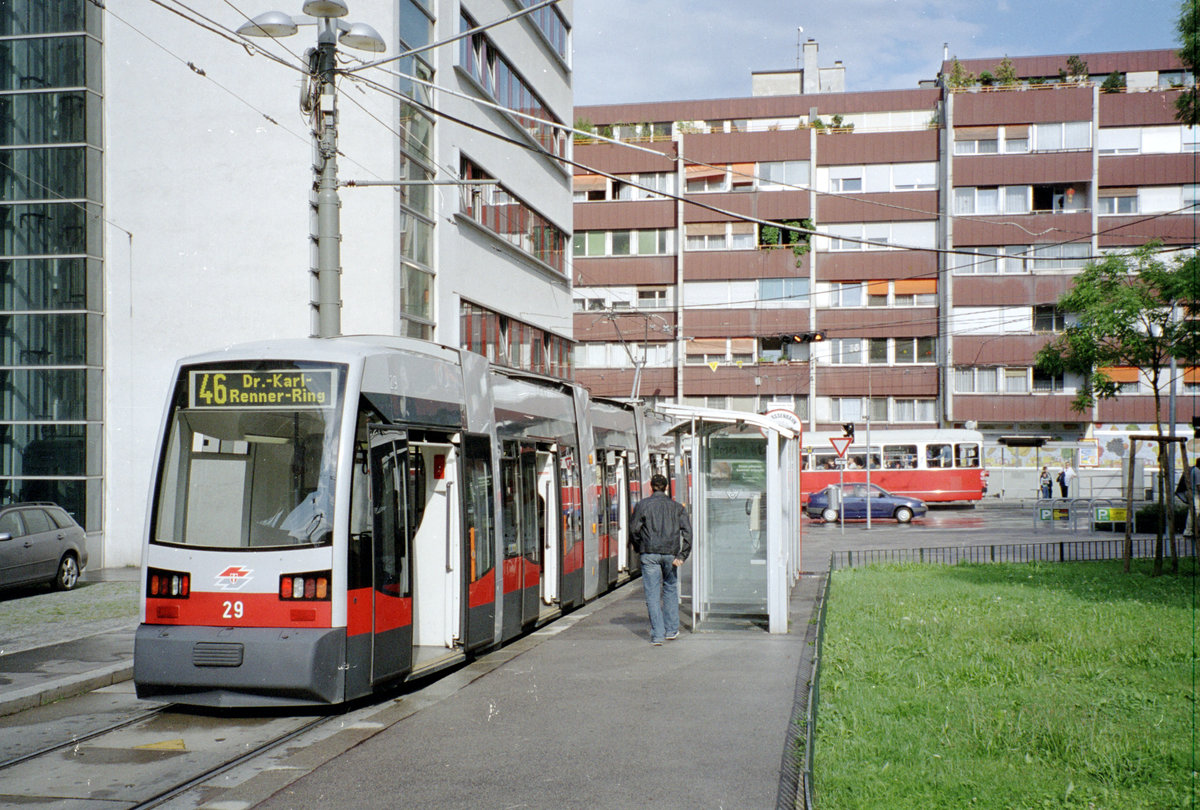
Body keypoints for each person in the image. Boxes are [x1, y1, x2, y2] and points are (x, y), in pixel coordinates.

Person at [629, 473, 692, 646]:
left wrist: (640, 547)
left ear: (651, 487)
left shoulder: (642, 505)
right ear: (667, 487)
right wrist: (682, 555)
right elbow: (688, 532)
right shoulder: (677, 507)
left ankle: (657, 635)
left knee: (652, 593)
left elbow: (634, 530)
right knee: (670, 588)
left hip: (649, 553)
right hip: (671, 554)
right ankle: (671, 630)